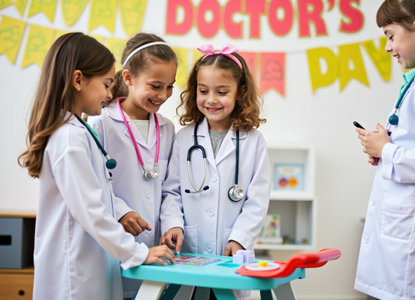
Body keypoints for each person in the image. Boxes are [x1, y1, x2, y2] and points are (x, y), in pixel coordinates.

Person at [17, 32, 175, 300]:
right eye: (106, 84)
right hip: (75, 275)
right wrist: (138, 253)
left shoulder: (77, 130)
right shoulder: (70, 137)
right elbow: (92, 211)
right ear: (78, 80)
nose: (110, 93)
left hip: (92, 265)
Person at [354, 1, 415, 299]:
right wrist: (386, 148)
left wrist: (387, 151)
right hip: (405, 234)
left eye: (390, 35)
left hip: (414, 243)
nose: (387, 47)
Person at [160, 44, 270, 299]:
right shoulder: (184, 138)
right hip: (188, 251)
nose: (211, 99)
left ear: (240, 92)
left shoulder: (254, 141)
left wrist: (240, 238)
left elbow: (258, 200)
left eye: (221, 92)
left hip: (231, 253)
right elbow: (172, 192)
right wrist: (173, 224)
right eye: (203, 90)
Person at [88, 32, 177, 298]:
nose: (163, 95)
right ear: (128, 78)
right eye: (155, 85)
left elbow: (172, 188)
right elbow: (93, 184)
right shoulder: (101, 123)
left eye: (170, 86)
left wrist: (173, 223)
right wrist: (121, 212)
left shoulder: (167, 128)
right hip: (117, 243)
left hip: (158, 247)